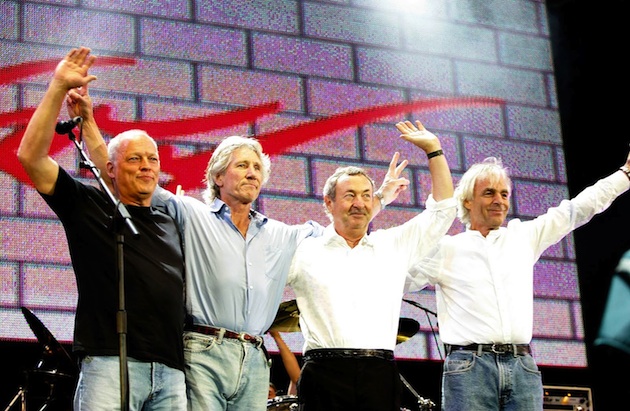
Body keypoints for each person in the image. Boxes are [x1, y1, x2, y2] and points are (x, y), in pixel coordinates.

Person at [77, 81, 409, 409]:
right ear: (218, 177)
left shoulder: (282, 234)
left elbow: (342, 226)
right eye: (242, 165)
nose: (252, 173)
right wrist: (89, 122)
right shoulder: (192, 214)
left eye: (257, 168)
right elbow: (122, 177)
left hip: (254, 358)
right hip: (203, 350)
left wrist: (378, 199)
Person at [16, 47, 187, 411]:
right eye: (135, 159)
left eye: (153, 159)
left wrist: (89, 121)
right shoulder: (87, 205)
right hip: (109, 362)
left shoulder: (170, 217)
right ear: (111, 169)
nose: (147, 166)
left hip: (171, 371)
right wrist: (58, 87)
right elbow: (30, 156)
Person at [408, 155, 630, 410]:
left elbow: (577, 209)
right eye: (489, 193)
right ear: (467, 200)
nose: (499, 200)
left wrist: (625, 174)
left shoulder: (523, 237)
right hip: (469, 368)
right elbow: (395, 279)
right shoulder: (446, 249)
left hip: (522, 366)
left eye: (504, 194)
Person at [286, 120, 457, 411]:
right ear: (328, 203)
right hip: (323, 374)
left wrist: (434, 151)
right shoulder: (304, 250)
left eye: (367, 195)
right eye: (350, 195)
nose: (360, 203)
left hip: (379, 373)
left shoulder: (392, 245)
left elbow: (442, 212)